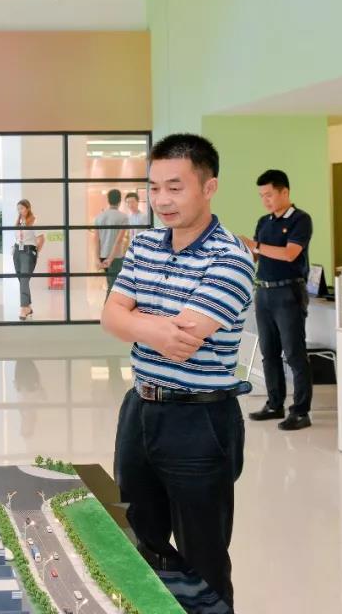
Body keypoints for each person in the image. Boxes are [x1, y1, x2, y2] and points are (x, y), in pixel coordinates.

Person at [102, 133, 255, 613]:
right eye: (154, 188)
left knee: (202, 559)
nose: (162, 200)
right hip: (139, 410)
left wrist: (134, 319)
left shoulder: (231, 258)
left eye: (175, 187)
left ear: (209, 187)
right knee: (136, 542)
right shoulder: (145, 244)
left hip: (200, 421)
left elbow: (182, 342)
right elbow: (109, 317)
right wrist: (148, 324)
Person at [239, 169, 314, 430]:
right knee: (268, 352)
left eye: (269, 195)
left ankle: (301, 412)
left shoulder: (300, 219)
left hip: (288, 292)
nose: (265, 200)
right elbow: (257, 255)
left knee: (294, 353)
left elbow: (290, 254)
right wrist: (243, 248)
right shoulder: (264, 221)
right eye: (261, 196)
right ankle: (274, 404)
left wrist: (256, 246)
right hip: (264, 292)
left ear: (285, 192)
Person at [13, 199, 45, 320]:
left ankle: (23, 308)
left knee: (24, 280)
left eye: (22, 208)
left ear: (28, 208)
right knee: (22, 280)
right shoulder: (19, 222)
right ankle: (28, 307)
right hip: (17, 251)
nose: (20, 211)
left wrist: (36, 253)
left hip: (28, 252)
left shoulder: (34, 221)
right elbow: (18, 238)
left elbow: (41, 239)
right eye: (18, 209)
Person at [93, 189, 130, 295]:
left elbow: (96, 240)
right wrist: (110, 259)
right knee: (114, 288)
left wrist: (97, 259)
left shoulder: (99, 217)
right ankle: (108, 305)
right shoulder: (123, 217)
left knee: (110, 285)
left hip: (102, 256)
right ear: (120, 201)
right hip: (116, 257)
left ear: (108, 200)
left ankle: (109, 305)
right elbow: (118, 241)